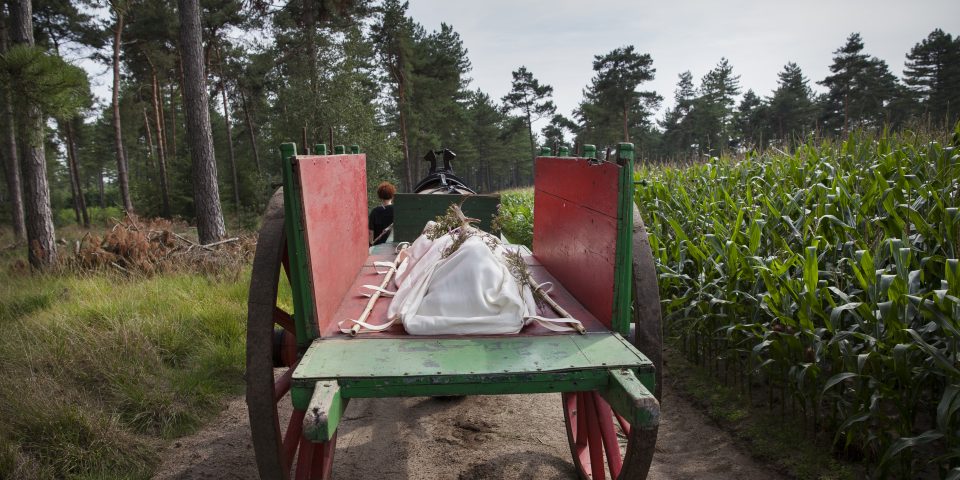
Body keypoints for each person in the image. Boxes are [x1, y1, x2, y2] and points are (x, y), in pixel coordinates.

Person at [369, 181, 395, 245]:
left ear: (380, 196)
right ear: (392, 195)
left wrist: (371, 243)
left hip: (377, 246)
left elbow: (371, 231)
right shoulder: (397, 210)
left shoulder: (374, 211)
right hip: (393, 246)